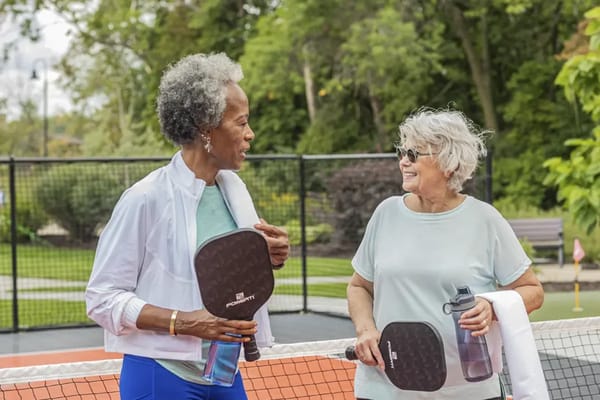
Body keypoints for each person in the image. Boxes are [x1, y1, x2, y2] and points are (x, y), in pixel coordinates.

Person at [85, 53, 290, 400]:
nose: (250, 134)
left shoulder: (235, 190)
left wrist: (269, 256)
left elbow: (220, 273)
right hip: (160, 375)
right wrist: (184, 322)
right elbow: (102, 299)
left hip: (223, 373)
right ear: (206, 128)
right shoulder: (144, 198)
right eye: (241, 123)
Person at [346, 108, 544, 400]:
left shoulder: (485, 220)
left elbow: (533, 291)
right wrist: (365, 331)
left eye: (414, 154)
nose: (404, 161)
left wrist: (492, 308)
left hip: (469, 391)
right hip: (385, 388)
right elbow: (359, 287)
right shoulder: (385, 213)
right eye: (402, 152)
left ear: (449, 163)